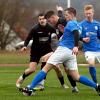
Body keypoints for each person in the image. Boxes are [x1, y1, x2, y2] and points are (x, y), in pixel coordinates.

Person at [20, 7, 100, 96]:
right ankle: (96, 86)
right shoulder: (78, 24)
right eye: (65, 15)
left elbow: (76, 33)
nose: (65, 17)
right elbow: (74, 33)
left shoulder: (70, 23)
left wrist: (76, 46)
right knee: (76, 76)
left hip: (63, 49)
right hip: (71, 53)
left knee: (45, 68)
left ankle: (30, 88)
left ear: (72, 15)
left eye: (67, 15)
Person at [16, 13, 68, 90]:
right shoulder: (35, 29)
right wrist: (24, 46)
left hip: (47, 50)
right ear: (38, 20)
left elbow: (59, 34)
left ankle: (62, 84)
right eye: (40, 19)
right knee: (32, 69)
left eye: (43, 19)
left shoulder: (51, 28)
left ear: (46, 19)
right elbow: (28, 38)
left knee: (57, 68)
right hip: (35, 51)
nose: (41, 20)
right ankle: (21, 79)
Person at [45, 6, 78, 92]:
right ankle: (74, 87)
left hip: (68, 47)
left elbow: (74, 31)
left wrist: (76, 44)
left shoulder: (64, 21)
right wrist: (59, 10)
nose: (49, 22)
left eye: (49, 20)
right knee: (67, 70)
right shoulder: (57, 23)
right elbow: (59, 16)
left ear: (53, 17)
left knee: (68, 70)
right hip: (63, 47)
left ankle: (74, 87)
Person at [80, 5, 100, 84]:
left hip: (98, 49)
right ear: (85, 14)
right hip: (88, 50)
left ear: (93, 13)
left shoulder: (97, 24)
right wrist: (83, 39)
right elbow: (77, 36)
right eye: (86, 13)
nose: (88, 15)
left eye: (89, 13)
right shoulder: (81, 24)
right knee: (91, 64)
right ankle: (96, 84)